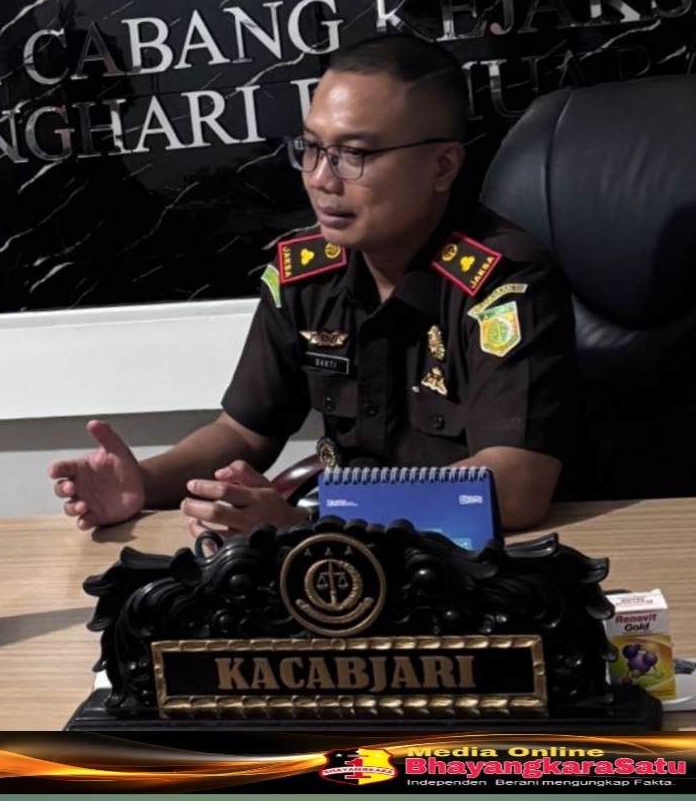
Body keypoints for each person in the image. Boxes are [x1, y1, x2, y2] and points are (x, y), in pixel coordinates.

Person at [49, 34, 577, 537]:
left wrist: (315, 526)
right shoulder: (306, 275)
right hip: (342, 557)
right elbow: (242, 432)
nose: (322, 179)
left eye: (354, 154)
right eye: (312, 148)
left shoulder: (503, 280)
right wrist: (144, 483)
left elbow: (515, 485)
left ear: (442, 166)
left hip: (475, 563)